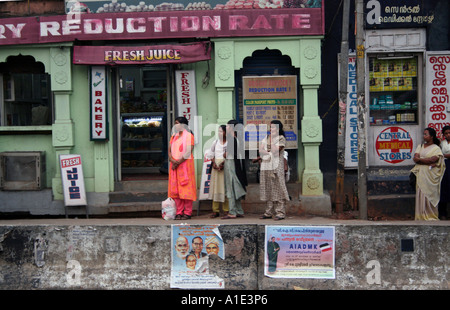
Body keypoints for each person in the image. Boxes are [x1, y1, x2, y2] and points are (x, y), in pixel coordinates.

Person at [411, 127, 445, 220]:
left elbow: (433, 159)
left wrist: (420, 159)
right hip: (421, 174)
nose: (424, 136)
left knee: (430, 194)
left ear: (432, 136)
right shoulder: (420, 146)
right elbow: (415, 159)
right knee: (421, 193)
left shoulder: (436, 148)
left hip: (430, 176)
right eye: (424, 134)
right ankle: (421, 216)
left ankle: (430, 215)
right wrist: (426, 161)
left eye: (426, 134)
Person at [259, 120, 290, 221]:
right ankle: (268, 212)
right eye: (270, 127)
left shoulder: (281, 138)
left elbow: (276, 151)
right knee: (269, 189)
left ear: (278, 129)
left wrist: (269, 146)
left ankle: (280, 213)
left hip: (277, 167)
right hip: (267, 166)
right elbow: (261, 150)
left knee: (279, 189)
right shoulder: (267, 138)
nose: (270, 129)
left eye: (273, 127)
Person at [168, 116, 197, 220]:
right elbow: (170, 151)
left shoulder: (189, 136)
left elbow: (188, 151)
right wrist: (172, 160)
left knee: (186, 189)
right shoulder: (174, 136)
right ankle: (179, 212)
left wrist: (178, 162)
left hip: (185, 165)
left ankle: (188, 212)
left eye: (177, 123)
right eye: (175, 123)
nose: (175, 125)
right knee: (176, 190)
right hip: (175, 165)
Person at [221, 120, 247, 219]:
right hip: (238, 167)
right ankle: (239, 210)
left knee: (231, 188)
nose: (226, 128)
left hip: (231, 166)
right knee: (236, 187)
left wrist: (224, 154)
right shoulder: (239, 139)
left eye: (227, 126)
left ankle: (232, 212)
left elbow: (227, 155)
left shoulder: (231, 140)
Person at [208, 125, 229, 218]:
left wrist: (223, 164)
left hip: (226, 167)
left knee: (225, 188)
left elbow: (230, 156)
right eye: (219, 131)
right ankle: (215, 210)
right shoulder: (215, 142)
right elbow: (210, 154)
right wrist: (214, 164)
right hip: (216, 167)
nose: (219, 133)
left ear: (225, 132)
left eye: (221, 131)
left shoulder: (229, 143)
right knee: (216, 188)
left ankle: (226, 210)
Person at [438, 126, 450, 220]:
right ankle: (443, 213)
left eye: (449, 133)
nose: (448, 135)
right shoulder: (442, 143)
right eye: (446, 133)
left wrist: (445, 155)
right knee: (444, 188)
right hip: (445, 166)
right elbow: (439, 155)